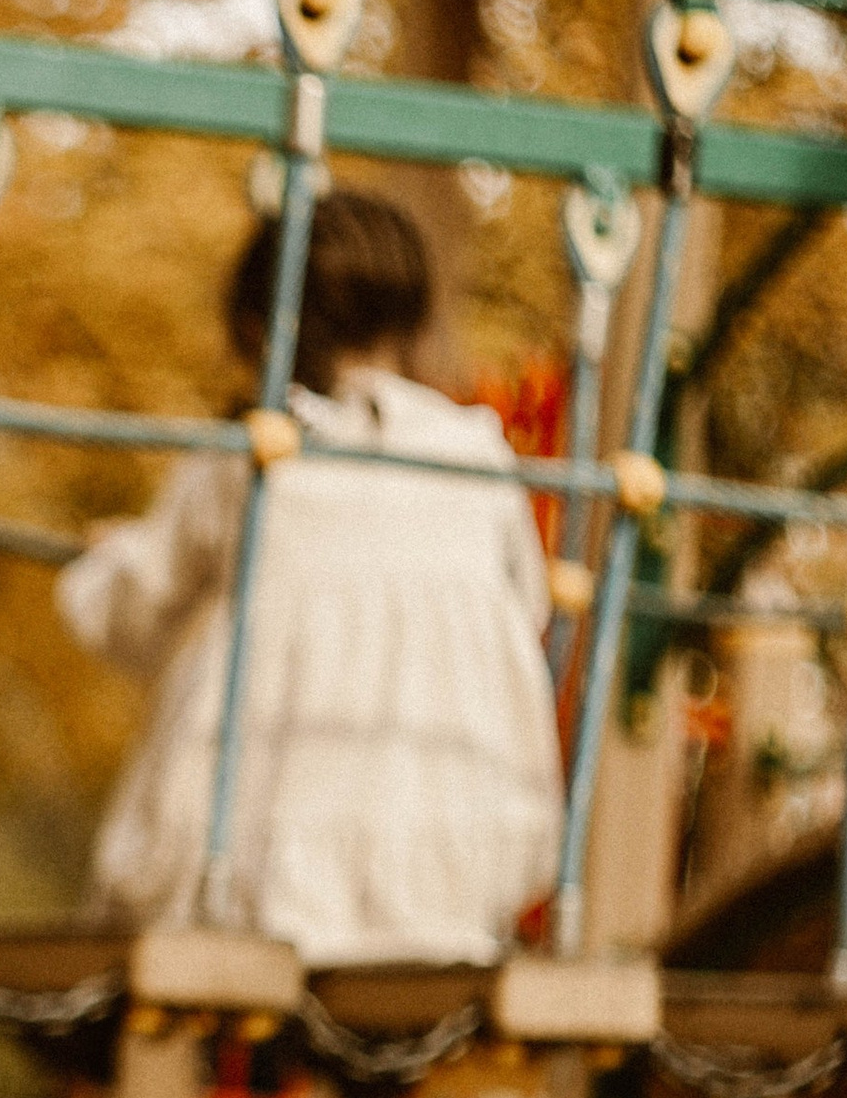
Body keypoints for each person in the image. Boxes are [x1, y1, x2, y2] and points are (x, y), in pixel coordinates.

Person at [56, 188, 560, 967]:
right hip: (449, 863)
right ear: (417, 321)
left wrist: (105, 556)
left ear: (259, 329)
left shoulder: (258, 453)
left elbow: (131, 611)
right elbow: (522, 614)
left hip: (254, 878)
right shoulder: (477, 455)